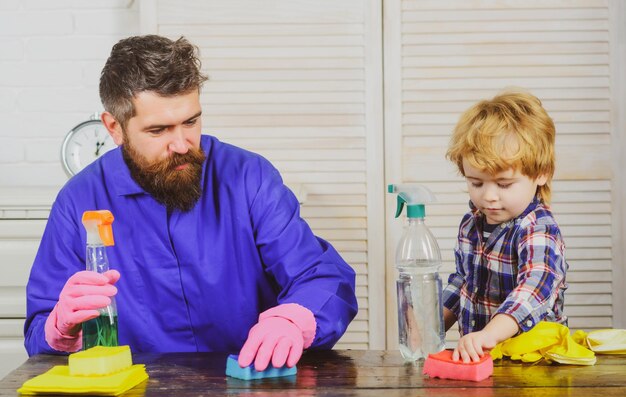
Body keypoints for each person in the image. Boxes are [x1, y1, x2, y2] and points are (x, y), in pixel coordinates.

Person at [24, 35, 358, 371]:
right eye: (159, 130)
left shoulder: (249, 177)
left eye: (190, 121)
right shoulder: (78, 200)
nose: (182, 144)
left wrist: (293, 319)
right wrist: (59, 330)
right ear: (115, 127)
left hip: (251, 384)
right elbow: (39, 329)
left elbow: (320, 276)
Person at [442, 90, 569, 363]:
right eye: (476, 182)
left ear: (541, 173)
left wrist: (489, 334)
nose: (488, 196)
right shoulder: (471, 223)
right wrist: (432, 321)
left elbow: (534, 289)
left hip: (535, 362)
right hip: (483, 358)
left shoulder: (538, 228)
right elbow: (463, 281)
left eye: (503, 184)